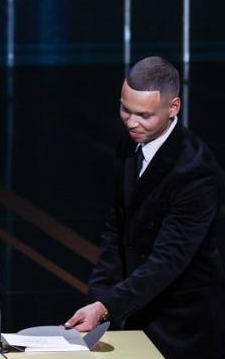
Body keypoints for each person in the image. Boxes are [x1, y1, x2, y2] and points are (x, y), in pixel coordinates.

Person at [64, 56, 225, 358]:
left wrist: (106, 307)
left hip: (184, 323)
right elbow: (116, 230)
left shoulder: (196, 171)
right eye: (125, 109)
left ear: (173, 107)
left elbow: (168, 260)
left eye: (144, 115)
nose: (131, 122)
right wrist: (99, 301)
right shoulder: (129, 144)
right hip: (136, 308)